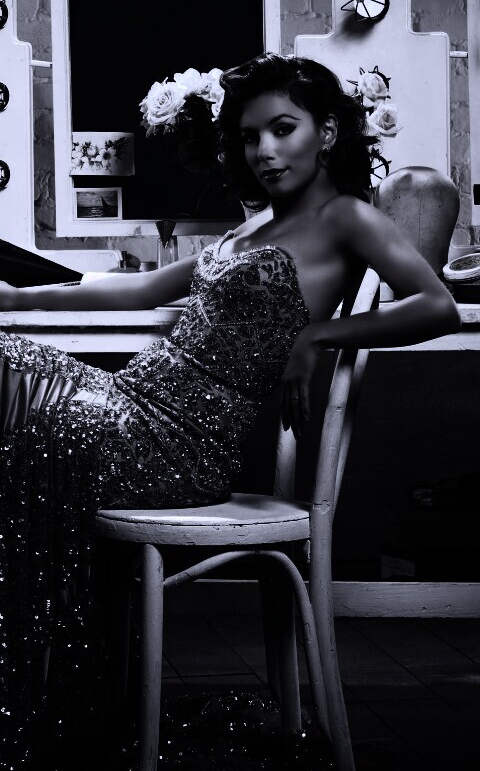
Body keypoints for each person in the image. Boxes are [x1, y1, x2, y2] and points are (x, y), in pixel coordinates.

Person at [0, 52, 460, 770]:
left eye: (283, 129)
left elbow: (437, 305)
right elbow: (140, 288)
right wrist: (16, 296)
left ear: (327, 132)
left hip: (180, 446)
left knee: (19, 413)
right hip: (133, 406)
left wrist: (319, 335)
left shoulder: (348, 217)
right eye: (250, 136)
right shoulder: (248, 231)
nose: (264, 150)